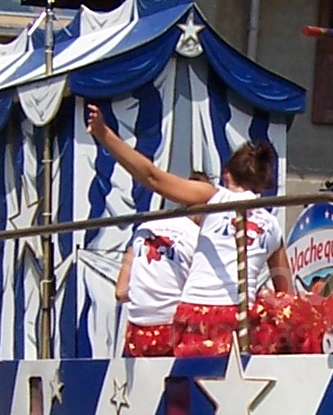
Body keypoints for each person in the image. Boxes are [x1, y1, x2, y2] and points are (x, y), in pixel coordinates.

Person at [84, 106, 308, 356]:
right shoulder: (272, 225)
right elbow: (286, 293)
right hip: (238, 319)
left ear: (226, 175)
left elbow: (152, 177)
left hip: (196, 315)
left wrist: (105, 135)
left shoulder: (213, 197)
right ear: (263, 186)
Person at [112, 206, 199, 358]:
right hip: (174, 330)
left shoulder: (143, 229)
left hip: (138, 331)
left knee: (136, 381)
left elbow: (120, 292)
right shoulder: (198, 236)